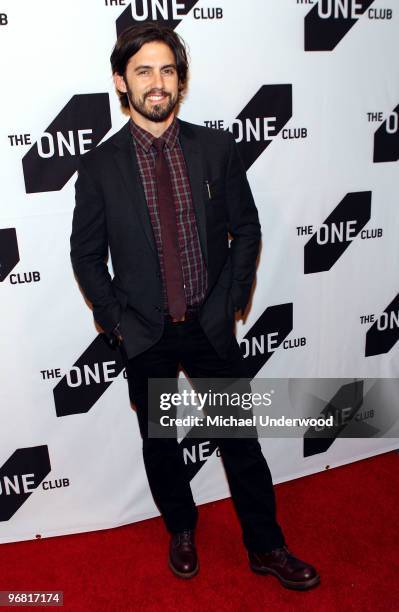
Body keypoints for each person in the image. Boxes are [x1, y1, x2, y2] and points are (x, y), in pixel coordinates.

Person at [70, 22, 320, 590]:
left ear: (179, 81)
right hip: (146, 335)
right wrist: (117, 323)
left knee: (241, 444)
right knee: (161, 442)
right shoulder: (100, 166)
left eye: (166, 70)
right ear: (120, 82)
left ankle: (267, 546)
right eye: (143, 71)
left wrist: (231, 300)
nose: (157, 83)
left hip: (209, 325)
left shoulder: (216, 149)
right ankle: (181, 527)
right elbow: (86, 255)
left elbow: (247, 230)